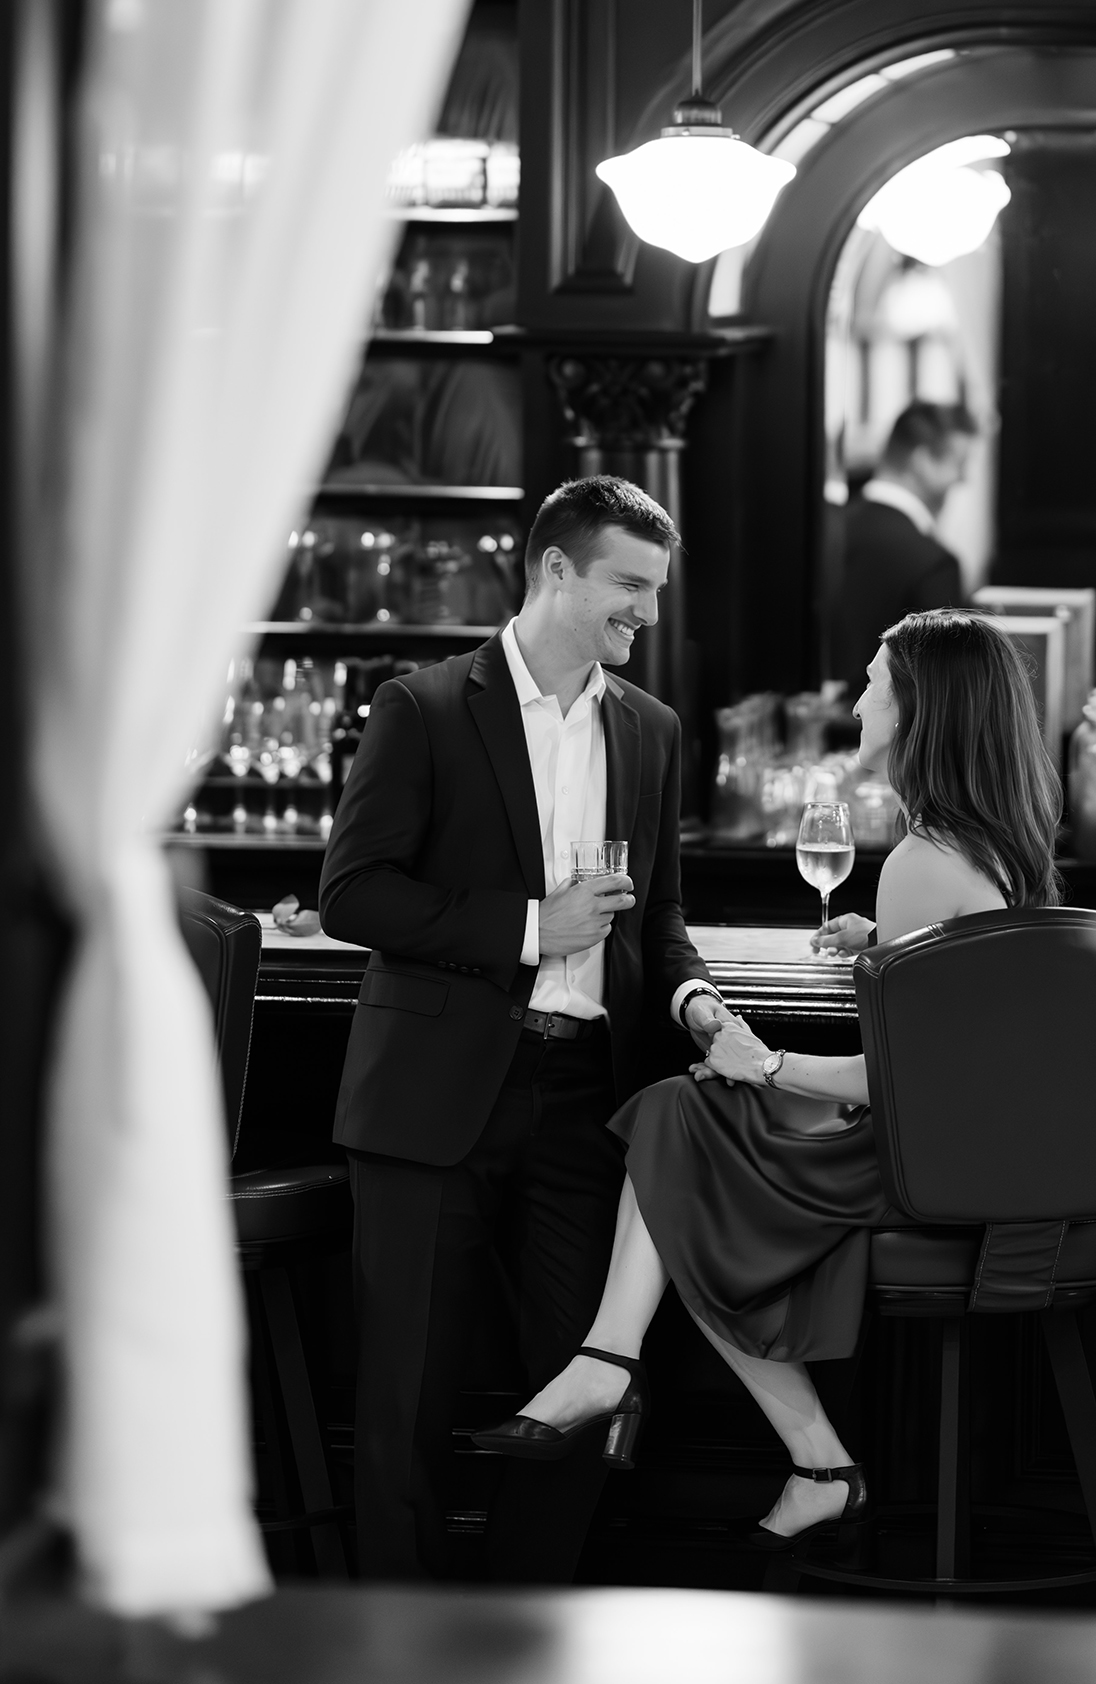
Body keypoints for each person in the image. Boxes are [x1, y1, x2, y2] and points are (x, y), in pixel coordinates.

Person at [473, 612, 1061, 1547]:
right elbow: (971, 1022)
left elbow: (905, 1083)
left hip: (937, 1171)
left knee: (685, 1132)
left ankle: (640, 1377)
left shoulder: (922, 858)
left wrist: (769, 1061)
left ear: (922, 710)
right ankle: (656, 1384)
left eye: (875, 683)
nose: (858, 701)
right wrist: (884, 947)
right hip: (994, 1157)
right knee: (685, 1119)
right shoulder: (985, 841)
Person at [320, 475, 732, 1581]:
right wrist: (525, 927)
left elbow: (664, 917)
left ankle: (524, 1630)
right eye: (627, 585)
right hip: (431, 1096)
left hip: (582, 1102)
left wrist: (694, 1001)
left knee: (582, 1390)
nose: (645, 612)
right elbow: (351, 894)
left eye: (653, 589)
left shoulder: (649, 729)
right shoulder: (423, 706)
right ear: (556, 570)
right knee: (402, 1399)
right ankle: (393, 1646)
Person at [830, 400, 974, 706]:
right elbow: (942, 701)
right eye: (959, 464)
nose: (964, 479)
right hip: (894, 745)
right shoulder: (933, 563)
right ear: (922, 461)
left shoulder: (829, 531)